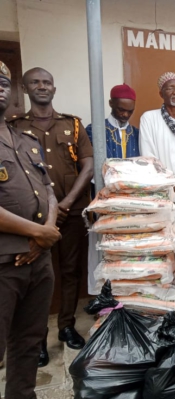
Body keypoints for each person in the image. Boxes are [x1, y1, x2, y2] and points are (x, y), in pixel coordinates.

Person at [0, 61, 73, 399]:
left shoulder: (24, 140)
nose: (0, 88)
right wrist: (37, 233)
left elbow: (48, 190)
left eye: (3, 83)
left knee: (29, 339)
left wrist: (44, 233)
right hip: (5, 262)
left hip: (37, 258)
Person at [8, 67, 94, 365]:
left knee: (71, 271)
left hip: (71, 212)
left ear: (54, 89)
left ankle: (67, 326)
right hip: (33, 218)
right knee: (37, 277)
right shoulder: (14, 127)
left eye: (47, 82)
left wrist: (67, 203)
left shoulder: (73, 124)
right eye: (35, 82)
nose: (42, 86)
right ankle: (38, 338)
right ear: (25, 88)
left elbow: (88, 165)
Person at [139, 72, 175, 204]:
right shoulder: (149, 119)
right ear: (161, 94)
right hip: (163, 192)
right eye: (170, 88)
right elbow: (148, 159)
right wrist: (172, 184)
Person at [85, 83, 139, 158]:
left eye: (130, 111)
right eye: (121, 110)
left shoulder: (137, 133)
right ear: (111, 103)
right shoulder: (93, 129)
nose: (126, 115)